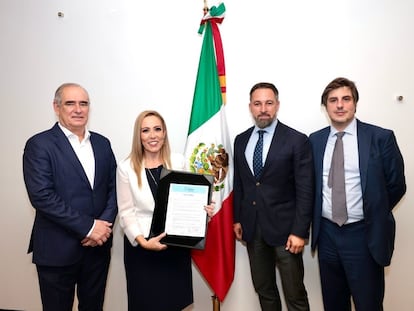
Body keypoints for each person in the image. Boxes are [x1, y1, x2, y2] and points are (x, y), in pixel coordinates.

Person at [309, 77, 406, 311]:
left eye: (346, 99)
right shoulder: (315, 140)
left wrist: (372, 211)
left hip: (364, 235)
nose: (340, 105)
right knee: (334, 304)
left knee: (368, 304)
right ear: (326, 107)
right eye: (333, 100)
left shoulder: (380, 137)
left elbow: (396, 185)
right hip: (327, 235)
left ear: (355, 103)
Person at [23, 83, 118, 311]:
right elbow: (42, 196)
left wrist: (101, 228)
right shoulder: (39, 145)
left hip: (97, 249)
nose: (78, 109)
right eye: (70, 103)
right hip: (57, 250)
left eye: (83, 103)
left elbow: (115, 189)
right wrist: (89, 227)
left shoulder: (102, 143)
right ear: (56, 107)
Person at [116, 110, 214, 311]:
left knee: (175, 303)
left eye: (157, 129)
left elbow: (189, 201)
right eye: (145, 130)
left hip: (174, 248)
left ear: (164, 133)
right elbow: (126, 212)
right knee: (146, 304)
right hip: (142, 248)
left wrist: (203, 211)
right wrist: (144, 242)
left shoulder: (178, 162)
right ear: (139, 136)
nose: (152, 135)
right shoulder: (125, 167)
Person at [233, 82, 314, 311]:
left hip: (287, 233)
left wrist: (300, 232)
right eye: (257, 104)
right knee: (264, 291)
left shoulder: (297, 140)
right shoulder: (241, 140)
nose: (263, 109)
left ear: (277, 105)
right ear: (250, 107)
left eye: (269, 103)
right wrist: (238, 218)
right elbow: (240, 184)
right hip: (253, 229)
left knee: (295, 294)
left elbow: (306, 190)